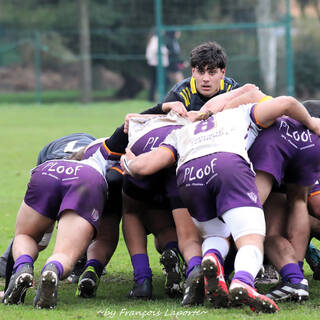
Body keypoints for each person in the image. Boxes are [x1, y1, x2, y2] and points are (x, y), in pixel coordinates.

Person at [121, 95, 320, 313]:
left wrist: (130, 163)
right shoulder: (239, 113)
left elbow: (145, 166)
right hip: (228, 166)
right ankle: (243, 280)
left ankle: (212, 258)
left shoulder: (180, 132)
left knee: (216, 234)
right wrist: (311, 123)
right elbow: (287, 103)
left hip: (189, 177)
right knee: (250, 236)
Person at [2, 142, 113, 308]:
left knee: (25, 235)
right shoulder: (109, 149)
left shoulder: (52, 149)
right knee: (65, 254)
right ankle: (52, 269)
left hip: (49, 169)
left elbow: (42, 239)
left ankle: (23, 266)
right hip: (87, 178)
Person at [248, 110, 320, 302]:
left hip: (275, 142)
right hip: (307, 141)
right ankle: (295, 277)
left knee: (259, 224)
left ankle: (293, 278)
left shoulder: (244, 100)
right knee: (299, 202)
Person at [146, 31, 169, 102]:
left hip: (156, 64)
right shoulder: (155, 40)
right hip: (156, 64)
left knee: (154, 82)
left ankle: (152, 98)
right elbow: (155, 50)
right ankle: (159, 98)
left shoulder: (156, 40)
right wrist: (164, 52)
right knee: (165, 81)